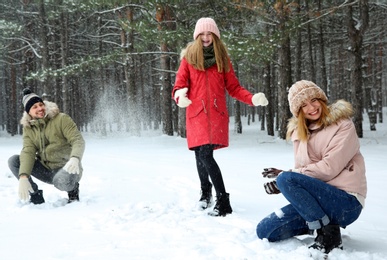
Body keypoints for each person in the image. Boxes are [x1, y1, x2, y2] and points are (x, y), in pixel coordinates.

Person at [172, 17, 269, 217]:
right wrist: (180, 96)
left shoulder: (222, 60)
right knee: (199, 155)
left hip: (216, 114)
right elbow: (179, 85)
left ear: (215, 37)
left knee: (206, 155)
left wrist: (252, 99)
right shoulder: (188, 59)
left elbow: (233, 88)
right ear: (197, 36)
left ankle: (223, 201)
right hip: (196, 114)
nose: (206, 38)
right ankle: (205, 195)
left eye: (210, 34)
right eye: (202, 34)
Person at [256, 80, 367, 254]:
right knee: (265, 230)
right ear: (298, 111)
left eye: (313, 100)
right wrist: (287, 184)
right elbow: (306, 172)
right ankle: (321, 223)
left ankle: (328, 234)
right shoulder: (300, 132)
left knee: (286, 178)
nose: (311, 107)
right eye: (303, 105)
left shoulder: (343, 125)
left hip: (345, 202)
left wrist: (287, 178)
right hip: (318, 204)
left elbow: (329, 167)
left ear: (321, 99)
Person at [8, 88, 85, 204]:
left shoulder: (61, 119)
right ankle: (35, 195)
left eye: (40, 104)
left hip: (68, 168)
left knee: (61, 180)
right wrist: (23, 176)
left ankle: (73, 189)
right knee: (14, 161)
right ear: (29, 112)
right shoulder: (29, 128)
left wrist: (75, 158)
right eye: (35, 107)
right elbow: (28, 152)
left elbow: (77, 139)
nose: (40, 108)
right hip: (46, 170)